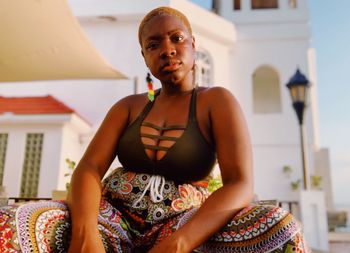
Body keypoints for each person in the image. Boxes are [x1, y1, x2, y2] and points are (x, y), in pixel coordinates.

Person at [0, 7, 310, 253]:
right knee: (11, 223)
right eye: (153, 44)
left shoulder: (216, 101)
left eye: (176, 38)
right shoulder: (129, 106)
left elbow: (240, 183)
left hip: (182, 224)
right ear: (145, 57)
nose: (167, 49)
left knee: (280, 227)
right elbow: (90, 169)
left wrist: (177, 245)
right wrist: (85, 236)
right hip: (110, 218)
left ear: (193, 44)